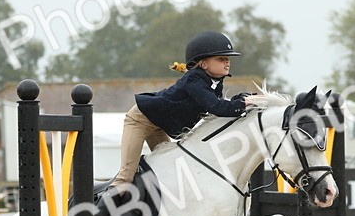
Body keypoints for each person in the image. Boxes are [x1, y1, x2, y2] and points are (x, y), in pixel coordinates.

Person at [109, 31, 255, 190]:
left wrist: (241, 100)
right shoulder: (194, 80)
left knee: (167, 170)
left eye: (227, 59)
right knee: (125, 178)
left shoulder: (214, 82)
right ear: (204, 64)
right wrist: (246, 102)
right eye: (221, 59)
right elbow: (217, 108)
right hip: (140, 120)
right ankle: (96, 215)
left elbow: (218, 106)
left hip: (159, 124)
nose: (227, 62)